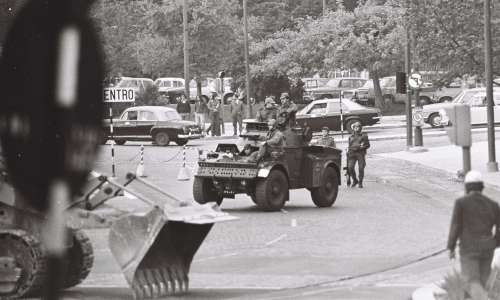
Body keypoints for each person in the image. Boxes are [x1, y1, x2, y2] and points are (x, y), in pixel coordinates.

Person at [447, 170, 500, 299]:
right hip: (488, 248)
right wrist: (496, 243)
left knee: (471, 281)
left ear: (466, 187)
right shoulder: (493, 205)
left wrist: (451, 247)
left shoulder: (461, 203)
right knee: (481, 282)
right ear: (482, 187)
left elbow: (456, 226)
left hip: (468, 248)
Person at [347, 121, 370, 188]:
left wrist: (361, 147)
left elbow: (368, 145)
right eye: (355, 127)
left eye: (358, 127)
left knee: (361, 168)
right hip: (352, 154)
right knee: (350, 167)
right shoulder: (350, 136)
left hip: (360, 153)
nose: (356, 128)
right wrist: (348, 153)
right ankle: (355, 180)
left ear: (360, 128)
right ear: (353, 128)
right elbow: (349, 145)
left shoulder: (364, 136)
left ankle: (360, 182)